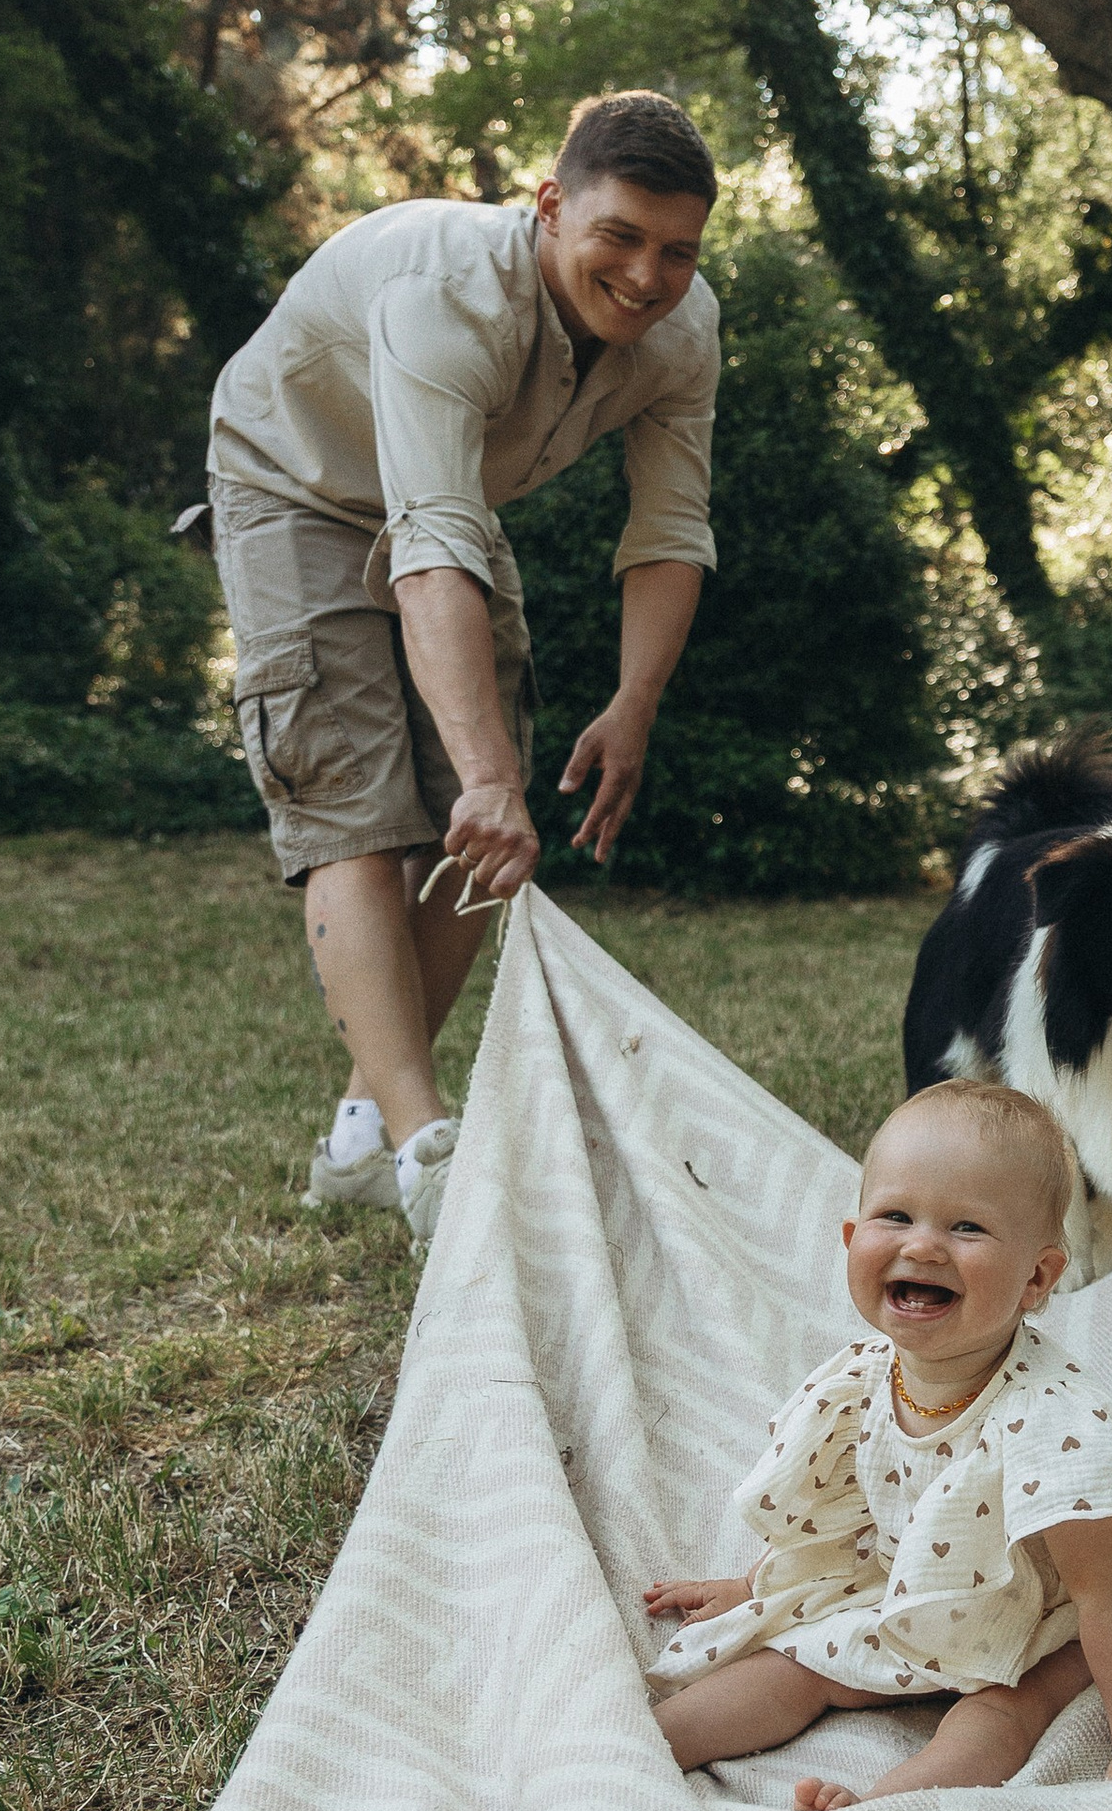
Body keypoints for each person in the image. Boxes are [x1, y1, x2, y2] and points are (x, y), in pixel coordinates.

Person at [202, 90, 723, 1250]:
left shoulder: (684, 332)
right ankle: (424, 1151)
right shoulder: (445, 292)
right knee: (354, 809)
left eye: (678, 250)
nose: (648, 276)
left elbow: (671, 528)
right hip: (295, 482)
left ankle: (359, 1138)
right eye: (619, 236)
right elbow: (430, 542)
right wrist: (485, 775)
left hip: (446, 498)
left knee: (480, 828)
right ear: (550, 208)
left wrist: (632, 705)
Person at [644, 1081, 1112, 1808]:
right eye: (895, 1216)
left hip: (1045, 1612)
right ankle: (635, 1747)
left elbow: (1107, 1594)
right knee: (796, 1661)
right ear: (852, 1239)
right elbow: (839, 1509)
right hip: (920, 1587)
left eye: (967, 1228)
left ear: (1036, 1278)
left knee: (1000, 1713)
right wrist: (762, 1586)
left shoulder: (1057, 1429)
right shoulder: (864, 1378)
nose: (922, 1245)